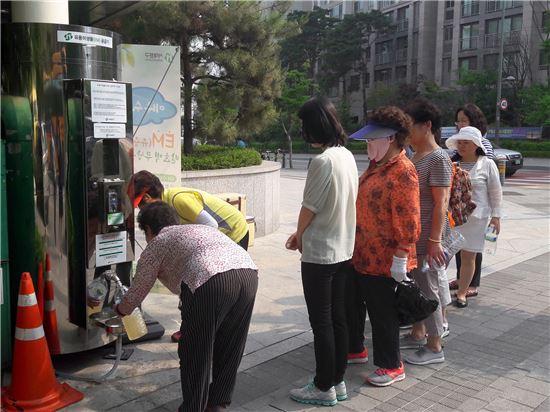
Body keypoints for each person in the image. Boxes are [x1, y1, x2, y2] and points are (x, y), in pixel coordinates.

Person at [114, 202, 258, 412]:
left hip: (210, 280)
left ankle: (194, 408)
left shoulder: (158, 242)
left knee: (195, 352)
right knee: (230, 345)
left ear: (148, 229)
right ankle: (217, 404)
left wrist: (119, 310)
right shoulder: (198, 229)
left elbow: (138, 290)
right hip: (248, 273)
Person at [286, 97, 358, 406]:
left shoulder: (323, 161)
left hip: (320, 254)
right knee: (338, 318)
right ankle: (338, 381)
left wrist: (298, 234)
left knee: (322, 322)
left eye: (304, 125)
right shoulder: (346, 156)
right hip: (344, 250)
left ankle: (322, 385)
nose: (303, 130)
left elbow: (309, 207)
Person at [128, 170, 250, 343]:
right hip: (213, 241)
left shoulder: (179, 199)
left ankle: (210, 330)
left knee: (212, 285)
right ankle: (192, 327)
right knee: (190, 284)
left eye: (139, 205)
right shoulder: (165, 209)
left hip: (232, 234)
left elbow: (211, 224)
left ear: (147, 197)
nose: (140, 210)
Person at [349, 106, 420, 387]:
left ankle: (392, 365)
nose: (368, 145)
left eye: (371, 139)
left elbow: (409, 219)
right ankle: (357, 349)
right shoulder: (377, 166)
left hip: (386, 260)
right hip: (364, 254)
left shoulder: (404, 171)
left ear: (390, 138)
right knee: (359, 307)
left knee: (383, 314)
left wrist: (401, 258)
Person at [401, 99, 453, 366]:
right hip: (414, 239)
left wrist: (434, 241)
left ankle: (435, 347)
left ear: (427, 126)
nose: (407, 132)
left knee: (429, 289)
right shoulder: (414, 155)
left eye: (411, 126)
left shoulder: (438, 158)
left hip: (428, 240)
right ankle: (418, 332)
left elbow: (441, 203)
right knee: (418, 288)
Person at [446, 126, 502, 307]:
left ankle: (462, 292)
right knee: (446, 255)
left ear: (476, 144)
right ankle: (441, 290)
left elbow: (495, 192)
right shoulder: (451, 163)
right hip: (452, 218)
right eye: (459, 142)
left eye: (466, 143)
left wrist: (496, 217)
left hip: (477, 219)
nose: (461, 146)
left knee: (469, 256)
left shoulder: (487, 164)